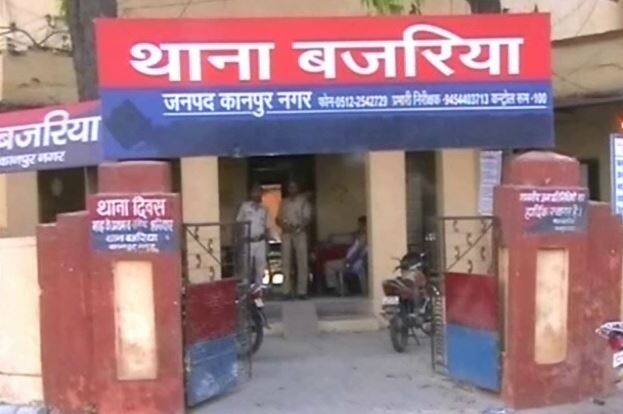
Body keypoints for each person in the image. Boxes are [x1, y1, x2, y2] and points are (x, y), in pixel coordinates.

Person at [277, 180, 312, 299]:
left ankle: (302, 291)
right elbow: (278, 218)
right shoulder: (284, 202)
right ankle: (286, 291)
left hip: (300, 233)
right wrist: (284, 226)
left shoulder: (303, 201)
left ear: (298, 188)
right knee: (286, 262)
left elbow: (308, 218)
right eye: (290, 187)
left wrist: (299, 227)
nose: (292, 189)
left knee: (302, 261)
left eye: (294, 187)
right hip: (286, 233)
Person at [236, 183, 271, 286]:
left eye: (259, 192)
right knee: (246, 266)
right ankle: (246, 289)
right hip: (248, 241)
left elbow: (267, 227)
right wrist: (239, 240)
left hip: (260, 241)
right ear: (251, 193)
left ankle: (258, 289)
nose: (257, 194)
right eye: (255, 192)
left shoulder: (264, 209)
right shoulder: (244, 207)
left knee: (260, 266)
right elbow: (239, 223)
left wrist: (267, 243)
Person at [324, 216, 367, 295]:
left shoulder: (365, 237)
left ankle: (334, 289)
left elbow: (358, 252)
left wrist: (349, 262)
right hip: (350, 260)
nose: (359, 227)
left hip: (353, 263)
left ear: (365, 225)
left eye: (361, 225)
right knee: (329, 264)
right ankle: (340, 289)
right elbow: (347, 237)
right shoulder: (359, 235)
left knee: (328, 265)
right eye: (359, 225)